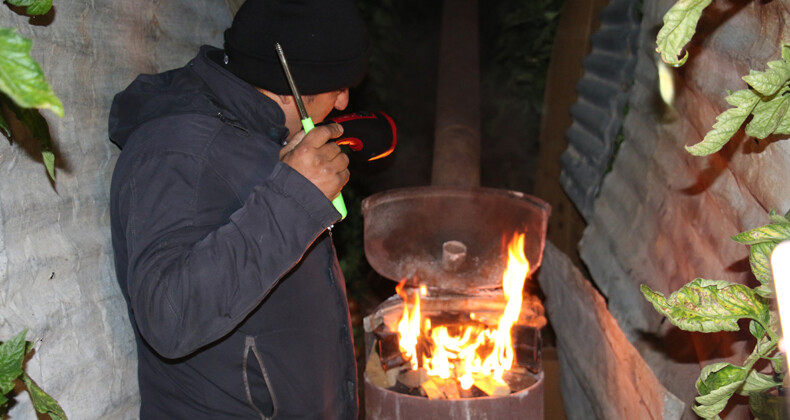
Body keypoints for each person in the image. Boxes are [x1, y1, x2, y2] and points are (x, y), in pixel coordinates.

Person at [107, 0, 369, 418]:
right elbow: (168, 315)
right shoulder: (178, 150)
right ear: (291, 89)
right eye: (337, 85)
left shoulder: (261, 138)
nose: (342, 102)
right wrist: (294, 197)